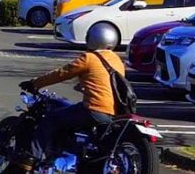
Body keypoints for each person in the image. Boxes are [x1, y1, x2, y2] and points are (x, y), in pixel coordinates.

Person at [19, 23, 124, 166]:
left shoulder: (89, 58)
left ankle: (30, 157)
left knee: (51, 118)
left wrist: (34, 83)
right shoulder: (117, 60)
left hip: (94, 109)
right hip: (114, 114)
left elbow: (61, 73)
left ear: (92, 38)